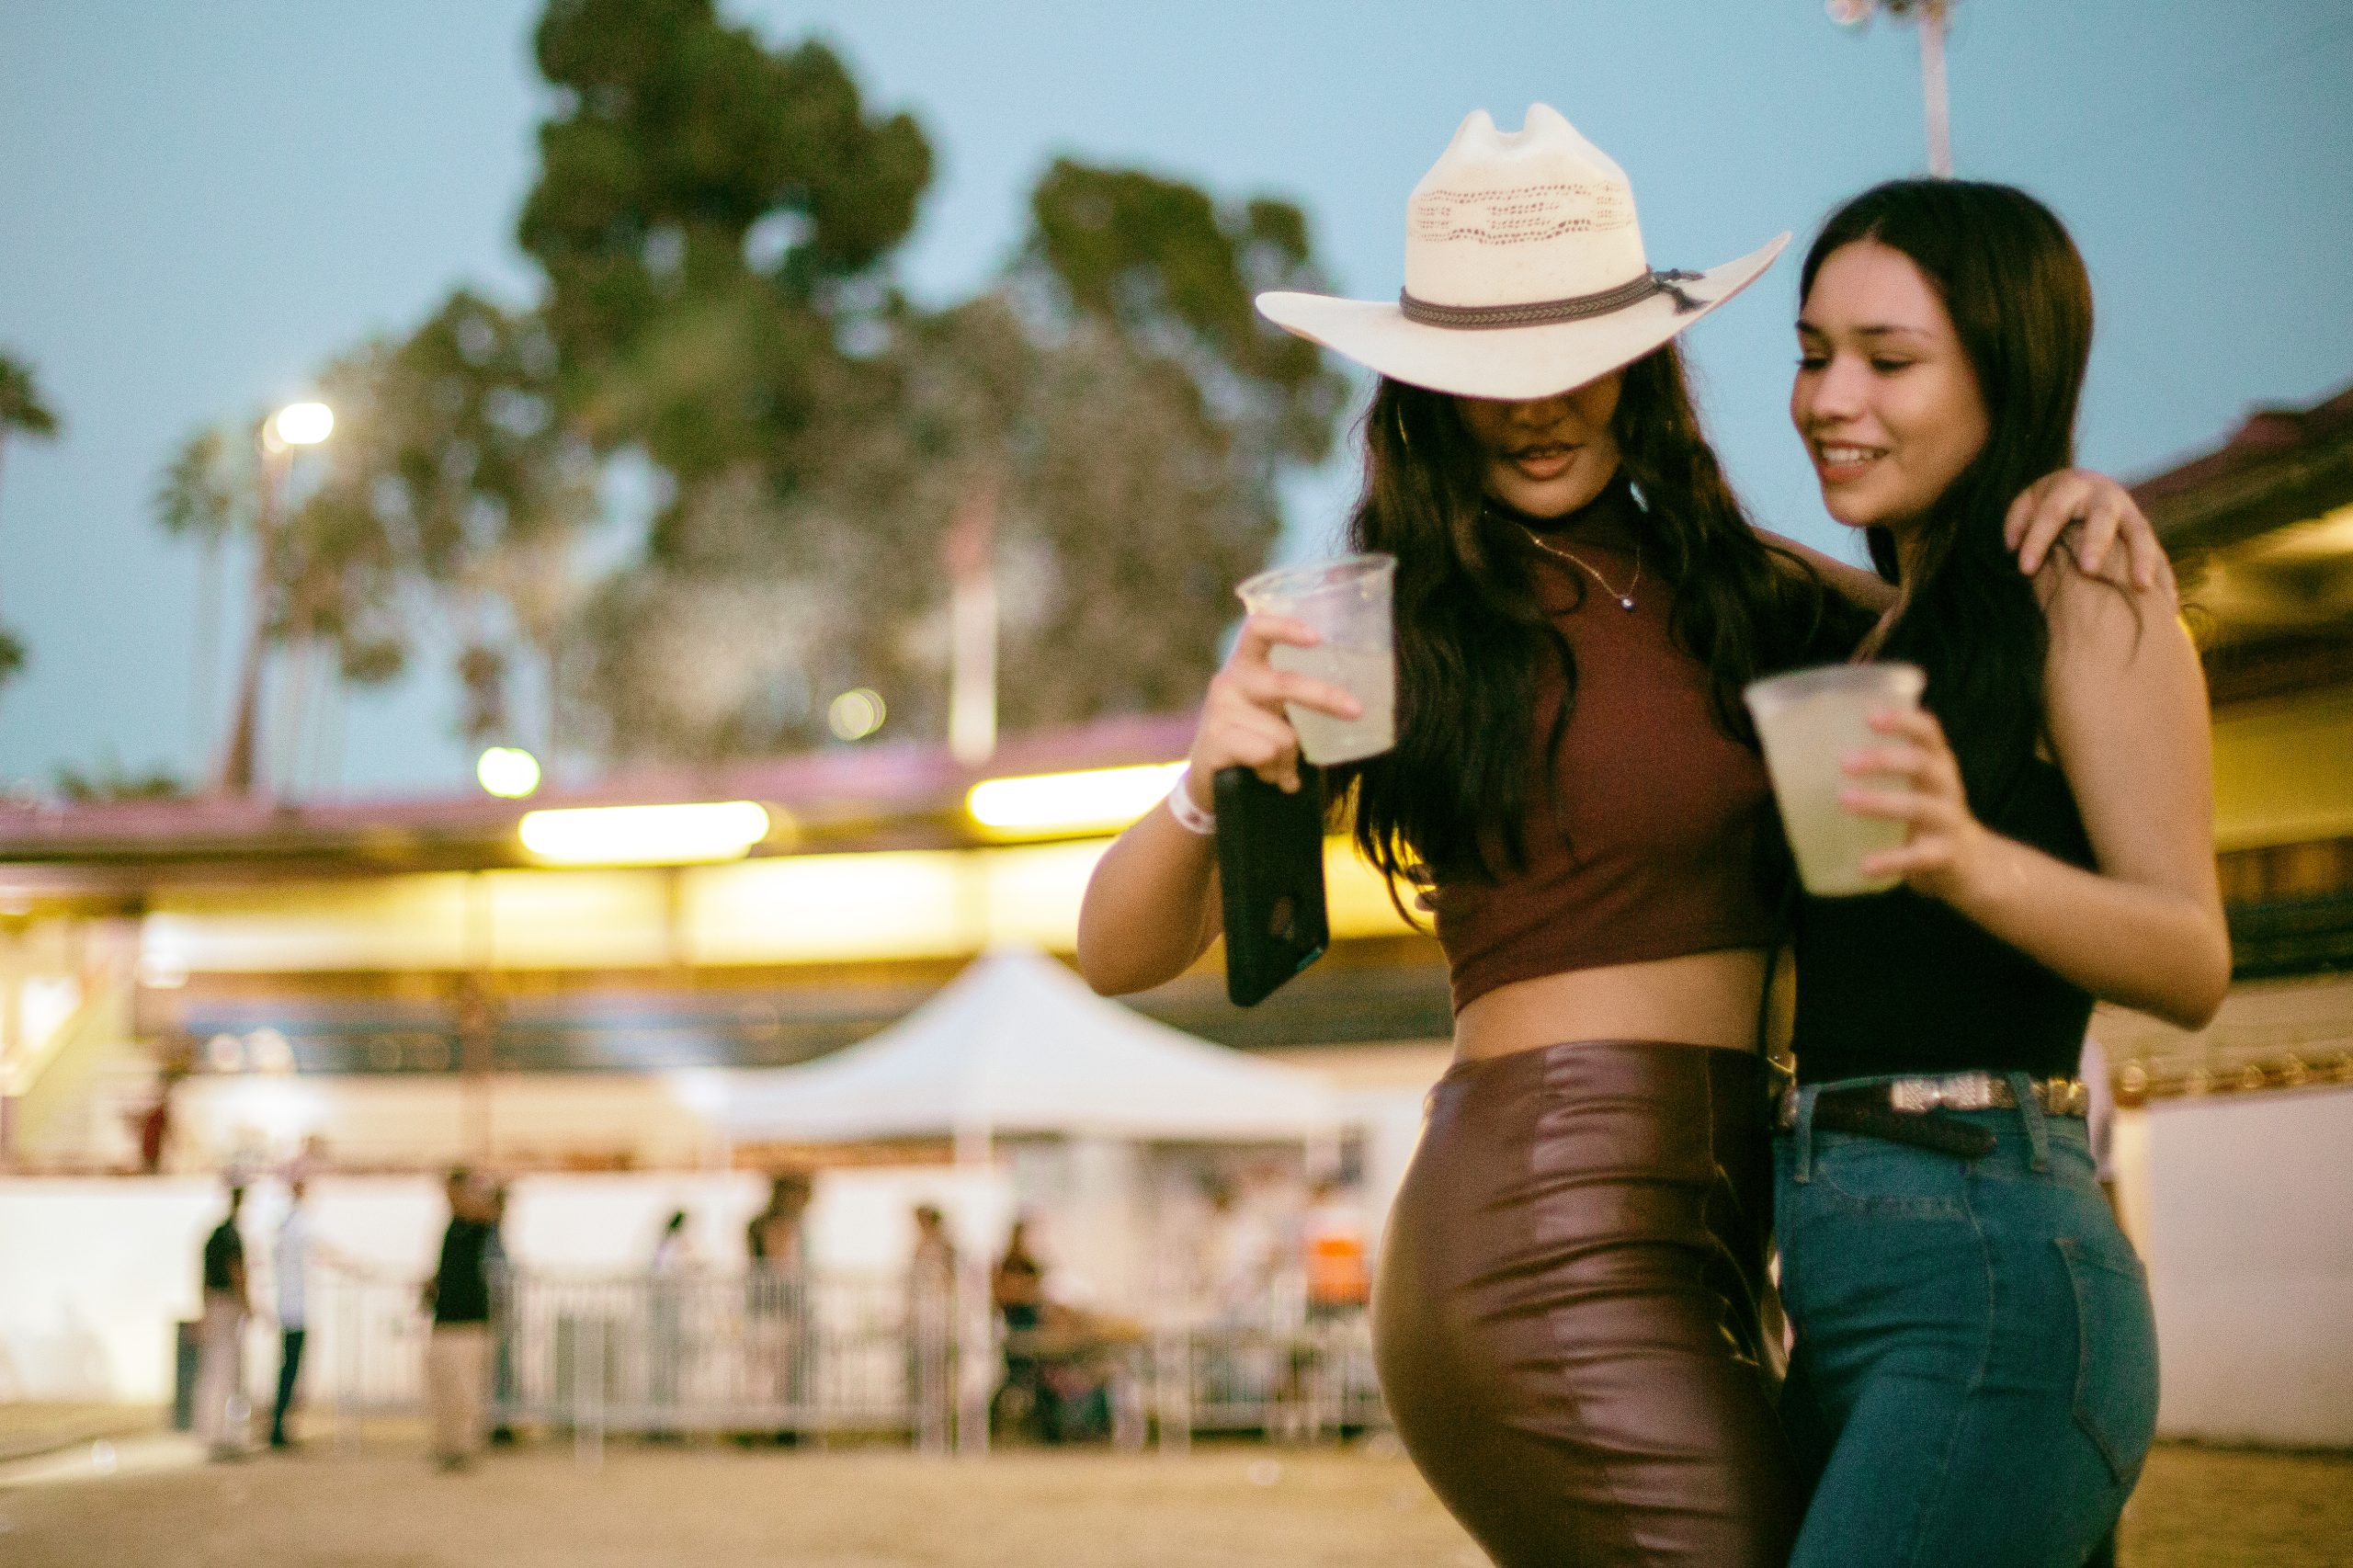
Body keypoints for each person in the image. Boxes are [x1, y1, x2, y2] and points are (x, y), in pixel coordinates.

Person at [1076, 106, 2165, 1568]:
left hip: (1745, 1239)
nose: (1535, 409)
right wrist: (1209, 774)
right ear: (1423, 391)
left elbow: (1974, 618)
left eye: (1574, 363)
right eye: (1486, 376)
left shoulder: (1749, 594)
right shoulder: (1389, 632)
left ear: (1645, 360)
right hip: (1532, 1238)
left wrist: (2061, 487)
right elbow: (1118, 946)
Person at [1773, 178, 2228, 1568]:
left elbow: (2192, 957)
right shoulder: (1878, 633)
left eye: (1889, 360)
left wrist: (1970, 861)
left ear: (2007, 374)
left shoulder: (2084, 586)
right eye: (1809, 351)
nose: (1828, 397)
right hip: (1843, 1274)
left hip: (1993, 1272)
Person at [421, 1168, 494, 1471]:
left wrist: (474, 1190)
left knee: (465, 1390)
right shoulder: (452, 1226)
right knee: (443, 1388)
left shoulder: (476, 1223)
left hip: (468, 1321)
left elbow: (492, 1208)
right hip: (445, 1318)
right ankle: (447, 1444)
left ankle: (463, 1447)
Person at [194, 1184, 251, 1460]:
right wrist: (247, 1304)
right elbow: (236, 1271)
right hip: (227, 1305)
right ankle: (223, 1434)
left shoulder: (214, 1235)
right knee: (226, 1370)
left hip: (215, 1304)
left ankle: (210, 1431)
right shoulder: (230, 1236)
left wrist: (205, 1308)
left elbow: (204, 1276)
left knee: (213, 1368)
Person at [906, 1204, 959, 1451]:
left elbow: (950, 1282)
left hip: (941, 1320)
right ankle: (929, 1432)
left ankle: (942, 1432)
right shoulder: (920, 1248)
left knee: (940, 1380)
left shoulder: (946, 1248)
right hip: (924, 1321)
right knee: (926, 1380)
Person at [269, 1179, 313, 1449]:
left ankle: (279, 1424)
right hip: (294, 1310)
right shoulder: (298, 1225)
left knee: (287, 1369)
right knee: (290, 1370)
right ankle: (278, 1426)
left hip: (288, 1308)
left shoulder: (285, 1226)